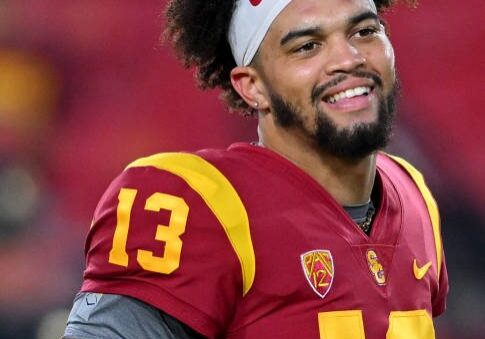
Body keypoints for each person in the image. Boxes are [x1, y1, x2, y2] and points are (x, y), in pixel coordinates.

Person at [63, 0, 448, 338]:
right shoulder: (203, 203)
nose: (348, 59)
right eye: (307, 46)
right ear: (252, 86)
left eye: (364, 31)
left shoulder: (412, 193)